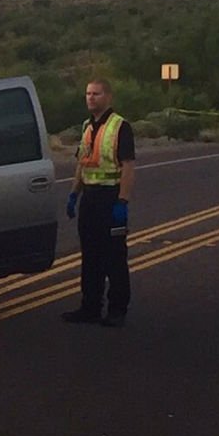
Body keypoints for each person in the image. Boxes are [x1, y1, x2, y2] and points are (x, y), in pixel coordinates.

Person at [62, 77, 136, 328]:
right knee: (90, 256)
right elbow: (82, 164)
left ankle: (117, 309)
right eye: (88, 94)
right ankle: (90, 306)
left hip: (110, 197)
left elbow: (128, 167)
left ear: (108, 97)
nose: (90, 98)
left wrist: (122, 202)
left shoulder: (120, 126)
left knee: (113, 256)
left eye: (96, 93)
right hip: (90, 198)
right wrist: (74, 194)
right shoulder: (87, 126)